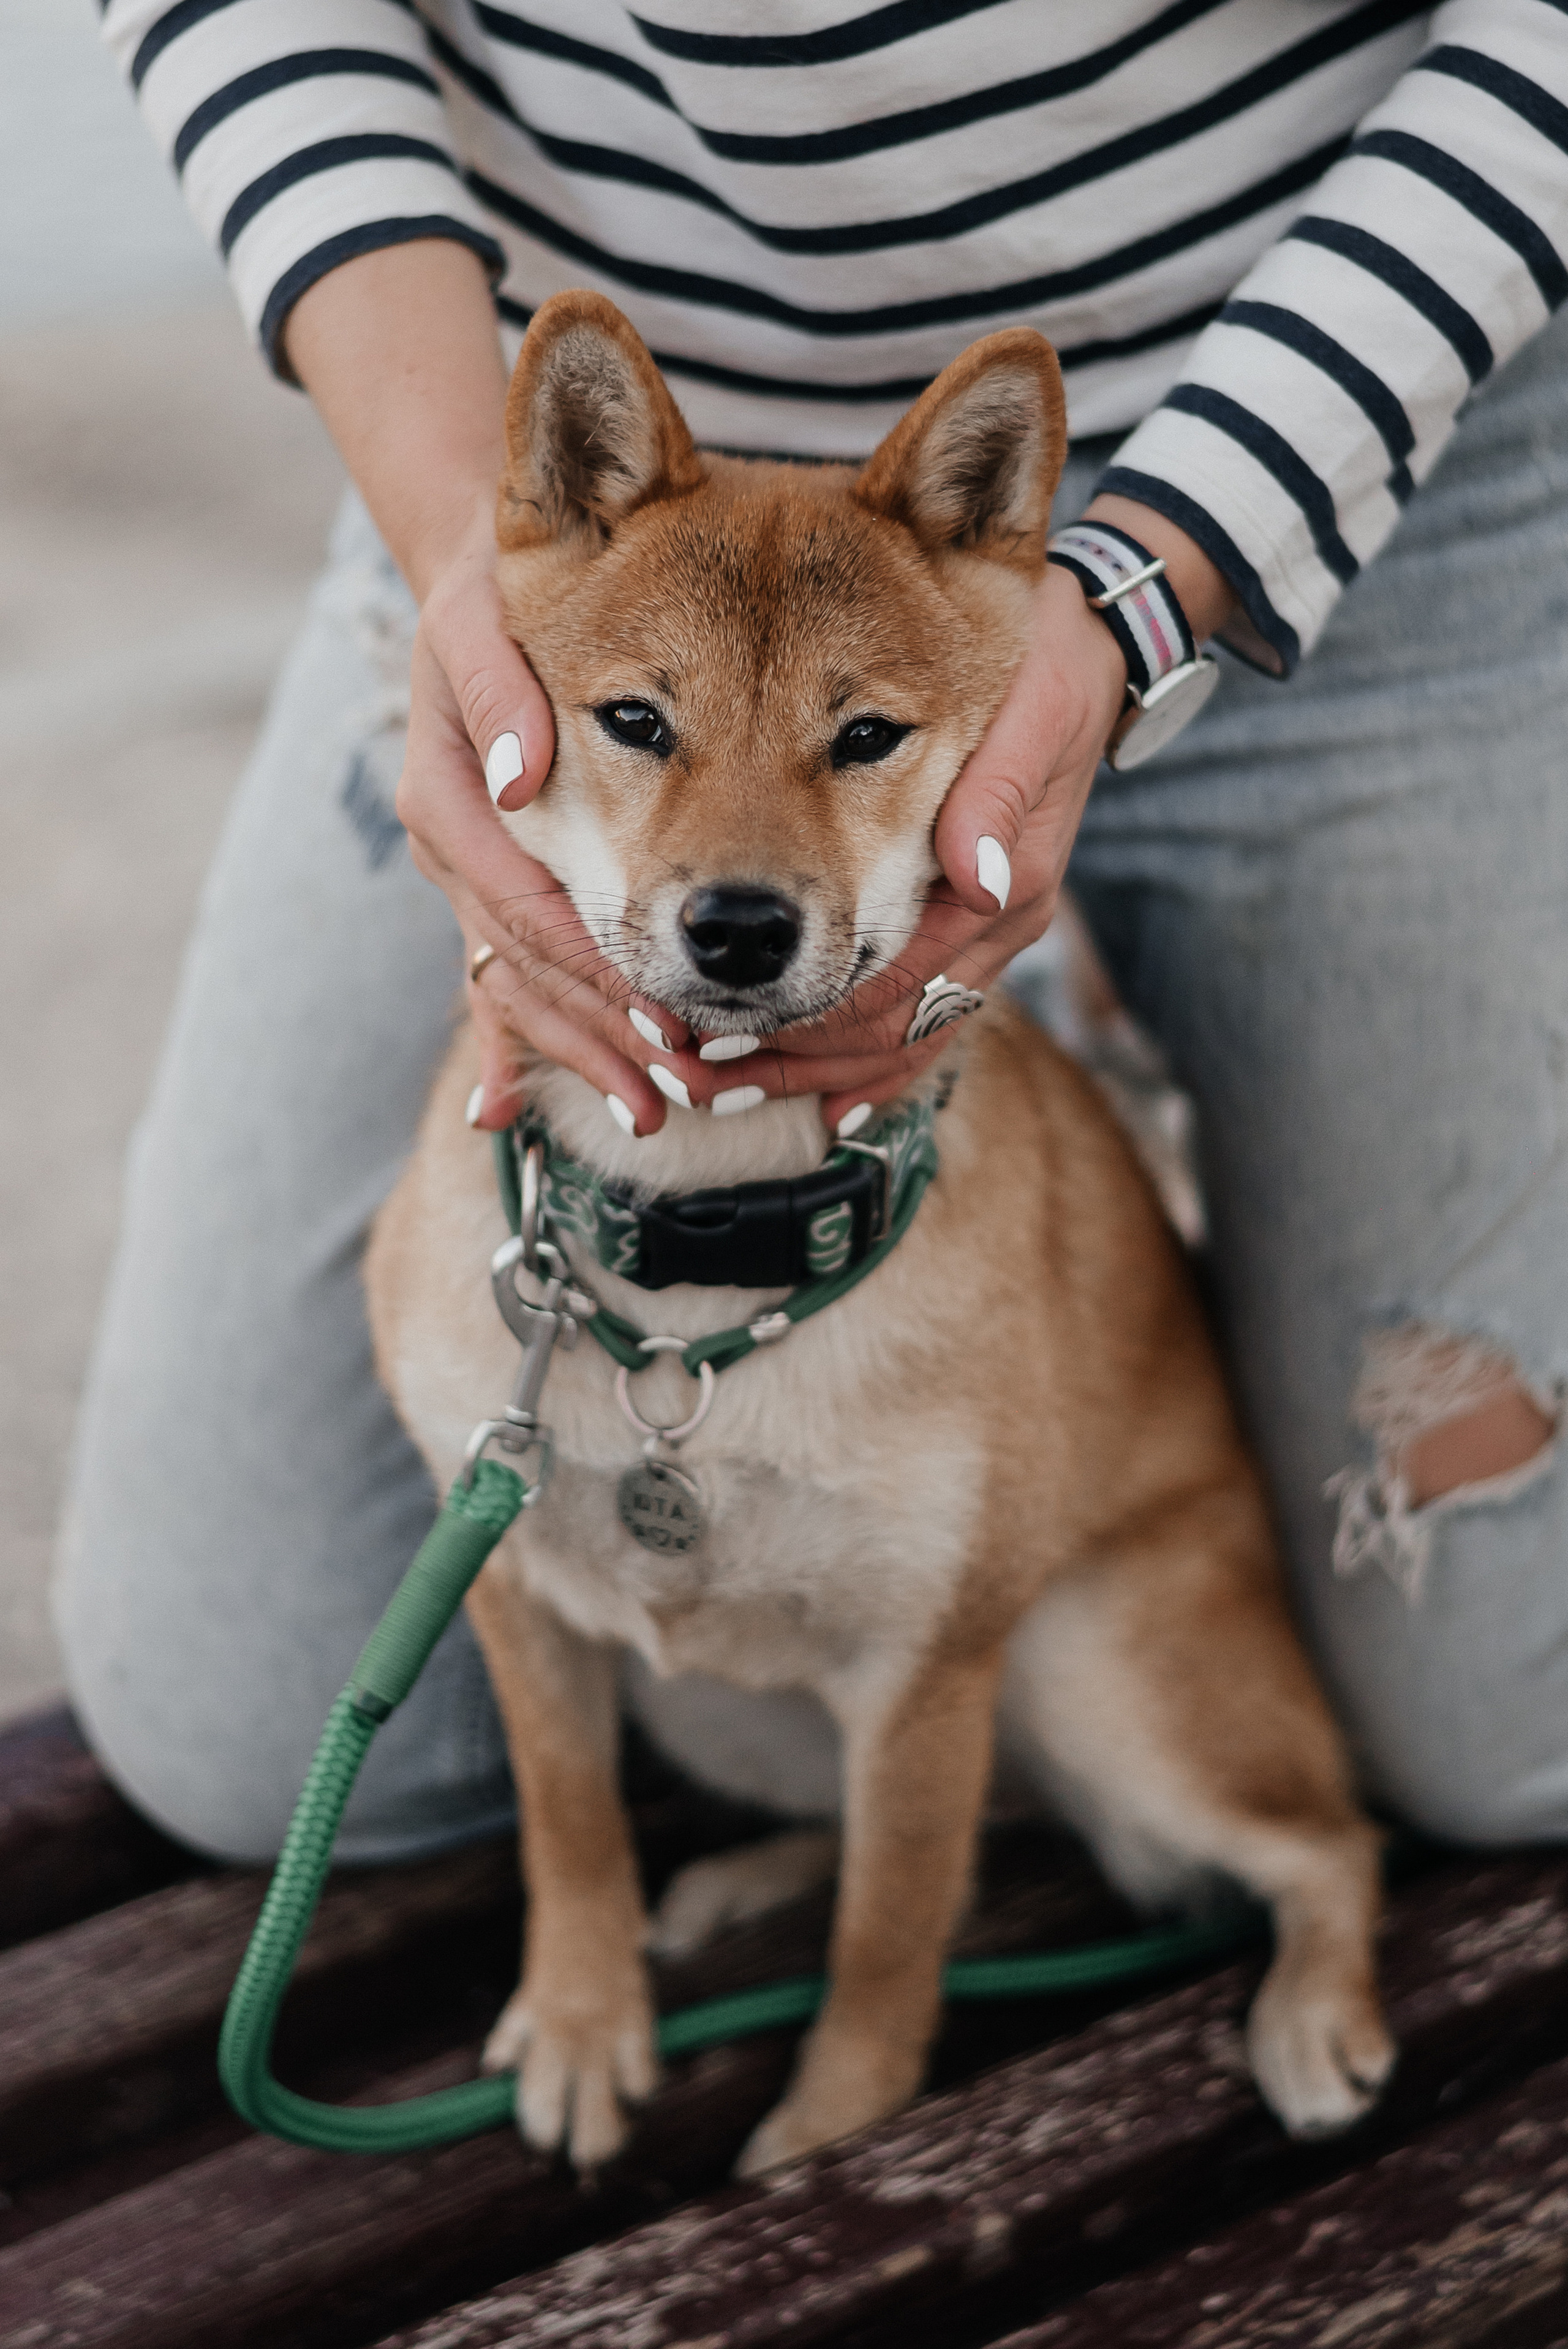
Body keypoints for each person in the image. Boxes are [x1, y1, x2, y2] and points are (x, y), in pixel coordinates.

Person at [60, 1, 1568, 1864]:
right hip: (570, 506)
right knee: (232, 1720)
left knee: (1500, 1740)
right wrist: (473, 551)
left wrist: (1151, 590)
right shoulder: (537, 540)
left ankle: (1047, 1137)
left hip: (1333, 441)